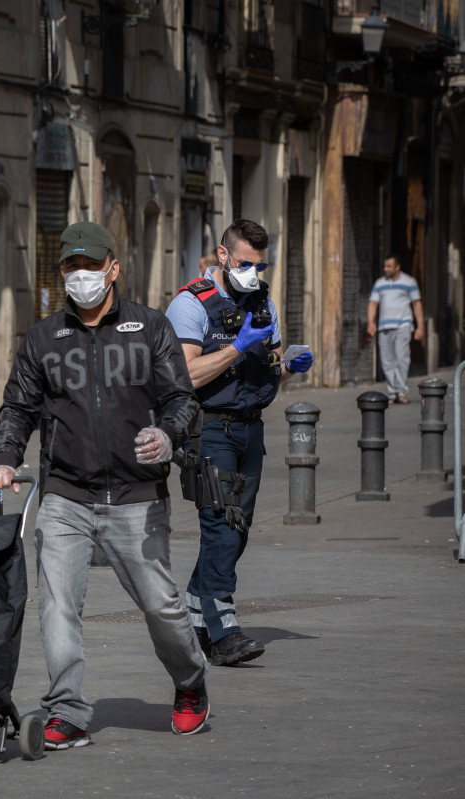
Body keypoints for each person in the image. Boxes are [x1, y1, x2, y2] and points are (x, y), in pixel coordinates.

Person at [0, 220, 211, 748]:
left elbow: (182, 401)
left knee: (162, 606)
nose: (81, 274)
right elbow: (17, 407)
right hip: (66, 494)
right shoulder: (43, 338)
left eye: (91, 264)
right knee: (58, 605)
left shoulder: (151, 327)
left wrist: (167, 435)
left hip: (137, 496)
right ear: (60, 272)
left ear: (113, 268)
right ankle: (67, 709)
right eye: (71, 265)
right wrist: (3, 458)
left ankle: (191, 683)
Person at [164, 218, 314, 667]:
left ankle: (191, 623)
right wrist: (236, 348)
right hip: (208, 428)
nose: (254, 271)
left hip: (251, 428)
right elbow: (184, 376)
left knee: (235, 531)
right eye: (246, 262)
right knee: (222, 526)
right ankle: (224, 629)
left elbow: (265, 365)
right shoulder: (190, 304)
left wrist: (287, 366)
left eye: (261, 263)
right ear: (222, 255)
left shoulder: (261, 300)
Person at [367, 254, 424, 404]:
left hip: (402, 326)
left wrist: (420, 327)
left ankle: (401, 391)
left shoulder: (409, 282)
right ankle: (392, 392)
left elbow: (416, 304)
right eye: (384, 266)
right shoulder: (379, 283)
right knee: (387, 361)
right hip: (384, 327)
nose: (385, 269)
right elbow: (373, 303)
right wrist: (370, 322)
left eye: (389, 266)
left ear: (397, 267)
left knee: (401, 358)